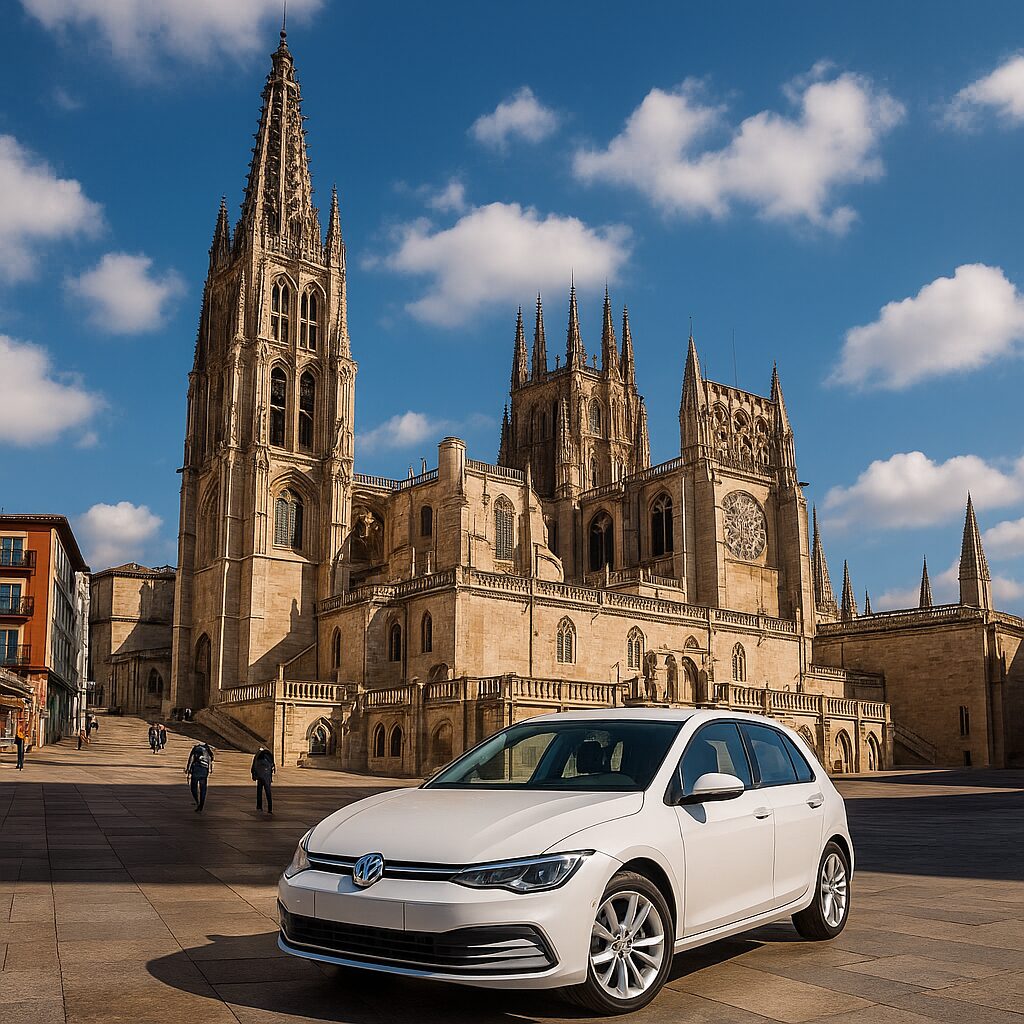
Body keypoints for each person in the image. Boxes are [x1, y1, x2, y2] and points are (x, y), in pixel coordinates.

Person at [185, 742, 215, 812]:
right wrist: (210, 769)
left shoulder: (195, 749)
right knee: (203, 789)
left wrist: (188, 769)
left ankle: (197, 801)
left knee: (193, 788)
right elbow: (210, 759)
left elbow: (191, 759)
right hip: (204, 771)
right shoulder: (207, 749)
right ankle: (201, 804)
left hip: (196, 770)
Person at [251, 747, 276, 815]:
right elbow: (272, 765)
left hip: (260, 776)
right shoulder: (269, 756)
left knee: (259, 791)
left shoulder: (258, 756)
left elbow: (254, 765)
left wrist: (254, 775)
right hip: (267, 776)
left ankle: (259, 806)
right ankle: (270, 809)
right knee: (268, 792)